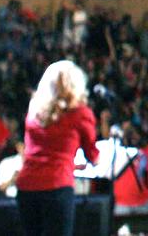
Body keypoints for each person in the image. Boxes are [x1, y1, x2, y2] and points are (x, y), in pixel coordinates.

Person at [15, 61, 99, 236]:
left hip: (27, 186)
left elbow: (36, 149)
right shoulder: (81, 113)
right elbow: (93, 156)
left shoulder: (34, 109)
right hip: (56, 186)